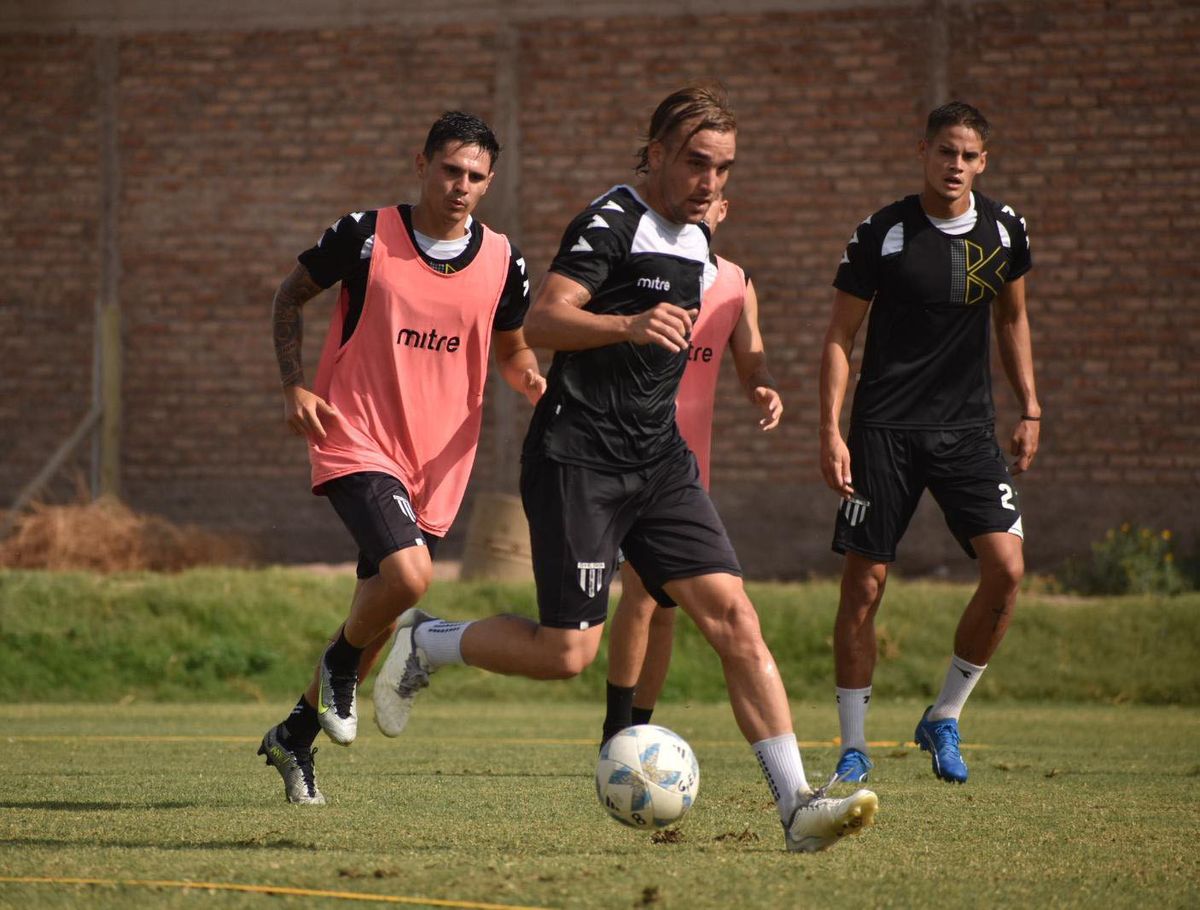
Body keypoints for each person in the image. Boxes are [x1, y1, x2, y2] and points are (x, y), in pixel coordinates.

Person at [374, 85, 877, 853]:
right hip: (577, 458)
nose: (710, 182)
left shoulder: (701, 242)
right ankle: (428, 642)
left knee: (735, 619)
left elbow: (729, 334)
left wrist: (754, 379)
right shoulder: (611, 221)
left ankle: (798, 806)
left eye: (724, 168)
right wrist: (627, 324)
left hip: (660, 464)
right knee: (567, 654)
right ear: (655, 155)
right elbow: (539, 321)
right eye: (696, 163)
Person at [258, 111, 544, 805]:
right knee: (408, 579)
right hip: (355, 435)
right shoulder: (365, 236)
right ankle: (339, 668)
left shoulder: (506, 262)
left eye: (476, 176)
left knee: (380, 610)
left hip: (441, 461)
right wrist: (294, 384)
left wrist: (534, 381)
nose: (462, 186)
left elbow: (510, 349)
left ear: (490, 181)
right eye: (450, 170)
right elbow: (289, 296)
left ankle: (294, 736)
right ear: (421, 165)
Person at [818, 101, 1039, 785]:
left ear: (984, 162)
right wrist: (829, 428)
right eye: (945, 151)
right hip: (882, 430)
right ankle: (853, 746)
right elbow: (839, 337)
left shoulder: (1005, 231)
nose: (956, 166)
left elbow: (1014, 320)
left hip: (968, 430)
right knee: (865, 585)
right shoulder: (882, 233)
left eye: (969, 156)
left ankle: (944, 716)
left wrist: (1030, 406)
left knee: (1007, 569)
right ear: (924, 151)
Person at [599, 191, 783, 744]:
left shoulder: (735, 283)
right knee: (638, 593)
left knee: (666, 605)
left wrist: (761, 386)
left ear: (725, 211)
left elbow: (751, 356)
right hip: (629, 452)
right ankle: (617, 733)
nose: (704, 206)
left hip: (686, 465)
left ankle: (636, 730)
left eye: (717, 199)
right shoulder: (642, 273)